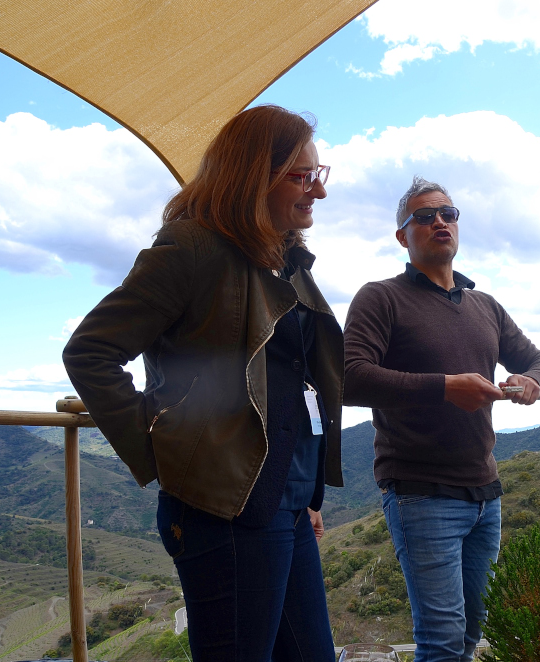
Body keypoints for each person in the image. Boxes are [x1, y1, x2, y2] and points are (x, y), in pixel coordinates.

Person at [62, 105, 343, 661]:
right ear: (253, 174)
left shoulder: (285, 261)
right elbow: (91, 352)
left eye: (320, 174)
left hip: (284, 504)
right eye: (303, 176)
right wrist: (166, 457)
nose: (319, 191)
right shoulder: (191, 248)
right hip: (224, 510)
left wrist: (304, 492)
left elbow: (294, 381)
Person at [343, 176, 540, 662]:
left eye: (448, 213)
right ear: (403, 235)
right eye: (424, 216)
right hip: (420, 492)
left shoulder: (485, 305)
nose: (439, 221)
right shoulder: (381, 298)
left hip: (486, 492)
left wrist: (532, 383)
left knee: (471, 634)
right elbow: (350, 378)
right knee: (441, 640)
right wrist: (446, 386)